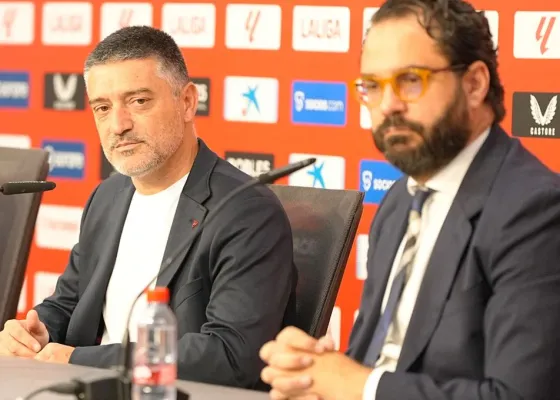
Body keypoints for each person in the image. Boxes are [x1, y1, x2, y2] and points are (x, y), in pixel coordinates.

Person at [258, 0, 560, 399]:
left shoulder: (535, 210)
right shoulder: (400, 200)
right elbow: (377, 361)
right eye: (372, 86)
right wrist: (314, 376)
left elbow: (518, 396)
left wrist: (357, 385)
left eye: (411, 80)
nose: (388, 105)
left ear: (474, 84)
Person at [0, 26, 298, 390]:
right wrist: (37, 332)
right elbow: (70, 302)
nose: (118, 125)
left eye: (139, 101)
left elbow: (231, 355)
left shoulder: (245, 211)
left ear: (187, 102)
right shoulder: (107, 196)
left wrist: (78, 359)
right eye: (103, 108)